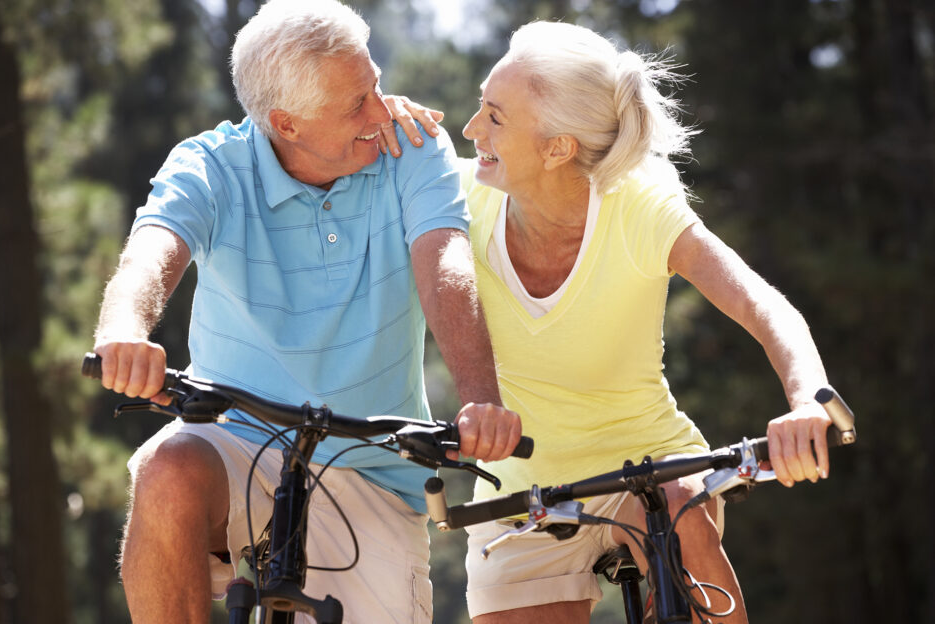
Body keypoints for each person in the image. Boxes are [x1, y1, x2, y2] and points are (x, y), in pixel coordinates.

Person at [382, 20, 836, 624]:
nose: (470, 131)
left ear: (557, 147)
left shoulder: (639, 204)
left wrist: (808, 400)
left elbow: (761, 302)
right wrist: (371, 122)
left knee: (677, 513)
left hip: (648, 468)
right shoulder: (456, 200)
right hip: (521, 493)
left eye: (495, 116)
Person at [91, 1, 522, 622]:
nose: (381, 112)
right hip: (237, 443)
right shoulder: (211, 165)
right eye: (355, 106)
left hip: (371, 464)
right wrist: (123, 332)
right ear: (285, 124)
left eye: (374, 85)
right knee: (169, 469)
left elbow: (444, 263)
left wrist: (481, 397)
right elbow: (152, 248)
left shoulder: (411, 146)